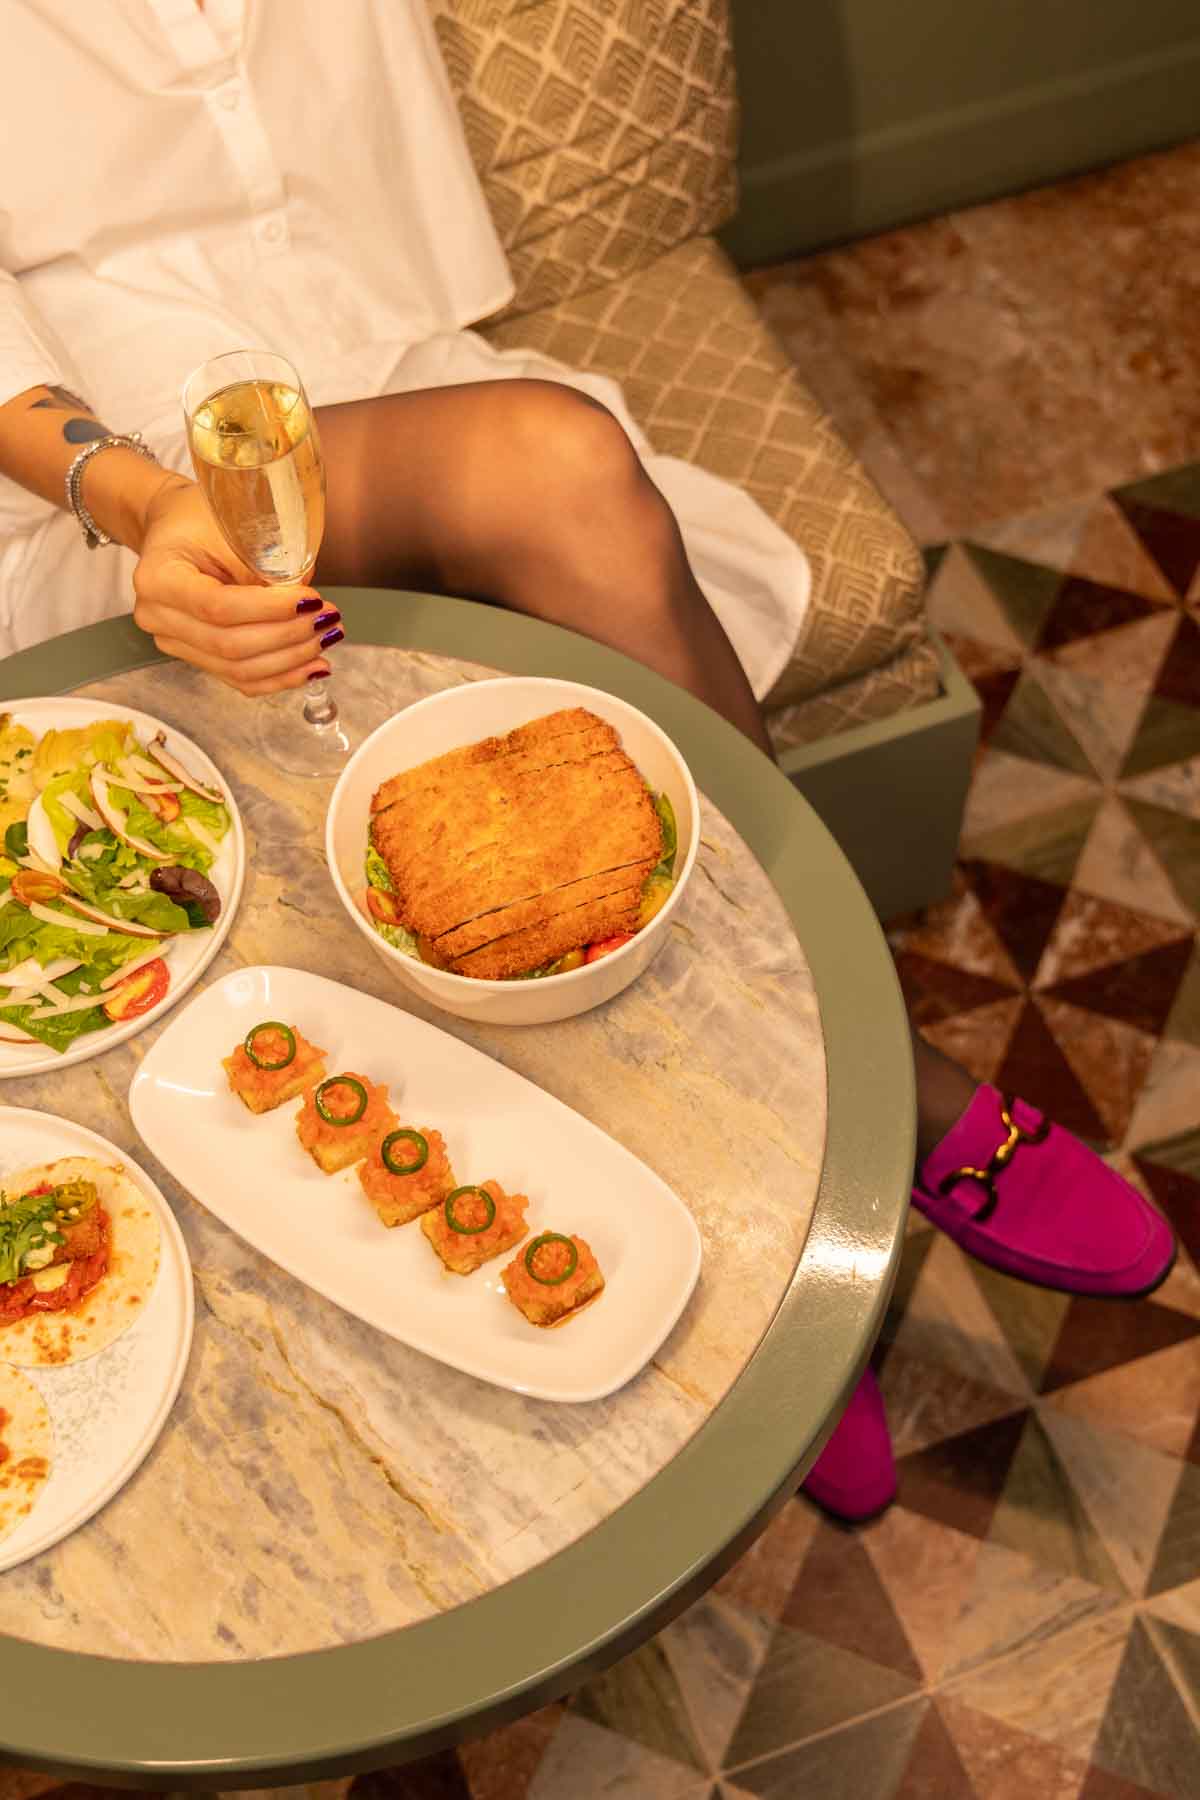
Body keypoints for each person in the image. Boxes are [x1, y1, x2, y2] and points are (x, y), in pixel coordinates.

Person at [1, 1, 1175, 1523]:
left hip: (377, 352)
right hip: (117, 483)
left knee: (576, 586)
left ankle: (792, 1177)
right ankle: (882, 1083)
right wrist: (143, 496)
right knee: (555, 467)